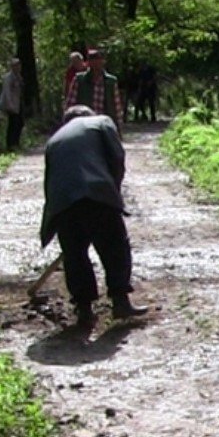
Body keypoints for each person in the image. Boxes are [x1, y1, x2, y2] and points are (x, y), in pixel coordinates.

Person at [40, 105, 148, 327]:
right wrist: (113, 191)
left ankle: (84, 309)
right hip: (96, 191)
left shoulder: (54, 140)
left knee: (75, 254)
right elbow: (117, 157)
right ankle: (120, 300)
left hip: (63, 201)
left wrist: (53, 223)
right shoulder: (101, 121)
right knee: (114, 245)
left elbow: (50, 182)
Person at [65, 47, 123, 125]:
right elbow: (70, 104)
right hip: (84, 124)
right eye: (93, 62)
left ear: (103, 62)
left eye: (98, 61)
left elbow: (117, 107)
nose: (96, 65)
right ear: (88, 63)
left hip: (104, 124)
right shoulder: (79, 80)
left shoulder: (111, 82)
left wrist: (118, 127)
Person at [0, 58, 25, 151]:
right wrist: (10, 105)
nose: (18, 67)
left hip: (18, 104)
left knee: (20, 123)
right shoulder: (8, 78)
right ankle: (10, 144)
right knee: (13, 123)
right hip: (10, 104)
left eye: (19, 65)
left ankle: (16, 142)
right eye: (16, 66)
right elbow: (6, 92)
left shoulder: (18, 77)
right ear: (12, 67)